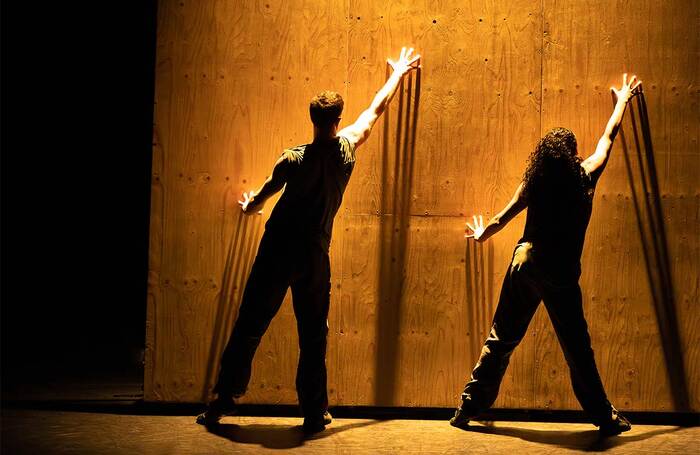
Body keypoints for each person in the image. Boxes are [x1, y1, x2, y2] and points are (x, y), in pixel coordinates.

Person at [197, 47, 421, 433]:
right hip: (315, 255)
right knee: (313, 334)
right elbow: (374, 111)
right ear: (337, 119)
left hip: (277, 251)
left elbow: (266, 193)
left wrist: (253, 206)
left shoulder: (292, 159)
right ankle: (315, 411)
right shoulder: (347, 152)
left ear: (313, 119)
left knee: (251, 323)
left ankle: (222, 402)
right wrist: (398, 73)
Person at [452, 74, 642, 436]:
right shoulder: (586, 176)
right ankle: (605, 418)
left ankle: (467, 409)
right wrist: (621, 101)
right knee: (577, 349)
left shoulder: (534, 182)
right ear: (572, 155)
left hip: (526, 263)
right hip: (560, 272)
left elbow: (499, 219)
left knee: (502, 337)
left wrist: (481, 235)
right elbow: (608, 138)